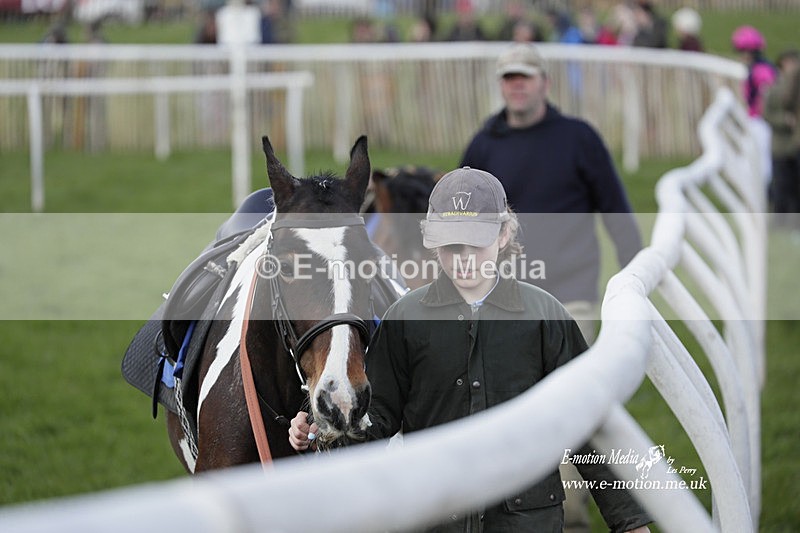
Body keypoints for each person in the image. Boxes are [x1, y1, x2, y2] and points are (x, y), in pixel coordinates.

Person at [290, 167, 652, 533]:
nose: (463, 258)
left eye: (475, 243)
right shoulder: (404, 320)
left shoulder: (546, 316)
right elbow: (375, 421)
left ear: (504, 234)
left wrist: (631, 521)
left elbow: (588, 425)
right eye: (451, 245)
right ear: (431, 241)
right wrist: (323, 434)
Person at [459, 43, 642, 533]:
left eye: (525, 76)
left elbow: (616, 207)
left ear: (546, 82)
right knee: (506, 408)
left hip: (571, 295)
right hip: (502, 299)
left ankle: (573, 520)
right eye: (508, 77)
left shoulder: (578, 138)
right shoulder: (483, 146)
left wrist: (635, 276)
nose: (516, 84)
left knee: (566, 407)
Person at [731, 25, 777, 185]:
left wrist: (763, 114)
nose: (741, 56)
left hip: (760, 121)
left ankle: (762, 190)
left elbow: (767, 94)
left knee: (762, 159)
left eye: (742, 51)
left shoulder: (761, 70)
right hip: (754, 119)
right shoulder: (756, 68)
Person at [763, 49, 800, 231]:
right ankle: (780, 225)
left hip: (794, 145)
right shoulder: (774, 89)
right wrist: (784, 120)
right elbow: (768, 114)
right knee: (781, 187)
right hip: (781, 146)